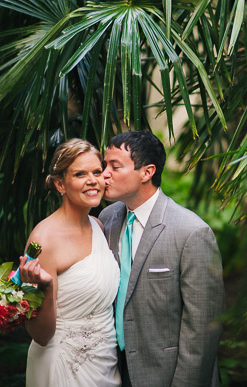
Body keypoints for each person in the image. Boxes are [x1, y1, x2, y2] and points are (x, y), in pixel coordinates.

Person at [98, 130, 225, 387]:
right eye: (104, 166)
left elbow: (202, 327)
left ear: (146, 172)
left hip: (166, 374)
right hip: (111, 370)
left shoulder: (191, 232)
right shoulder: (107, 219)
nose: (104, 175)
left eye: (115, 166)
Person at [19, 139, 121, 386]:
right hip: (62, 362)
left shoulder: (98, 226)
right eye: (80, 174)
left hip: (106, 360)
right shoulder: (44, 240)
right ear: (60, 184)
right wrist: (46, 287)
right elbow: (40, 335)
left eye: (97, 172)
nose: (92, 180)